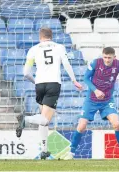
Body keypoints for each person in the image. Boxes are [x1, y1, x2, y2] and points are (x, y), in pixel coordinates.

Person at [16, 27, 83, 160]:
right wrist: (74, 80)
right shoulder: (59, 47)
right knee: (46, 119)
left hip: (39, 85)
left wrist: (35, 81)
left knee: (43, 121)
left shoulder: (33, 49)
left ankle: (44, 151)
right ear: (51, 36)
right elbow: (66, 64)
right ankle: (26, 119)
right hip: (53, 84)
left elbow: (26, 73)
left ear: (40, 37)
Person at [67, 47, 119, 160]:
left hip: (107, 100)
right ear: (102, 56)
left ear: (114, 57)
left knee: (116, 124)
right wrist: (95, 90)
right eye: (105, 57)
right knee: (81, 126)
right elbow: (86, 78)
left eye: (109, 58)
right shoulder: (96, 63)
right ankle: (71, 153)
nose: (107, 60)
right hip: (91, 99)